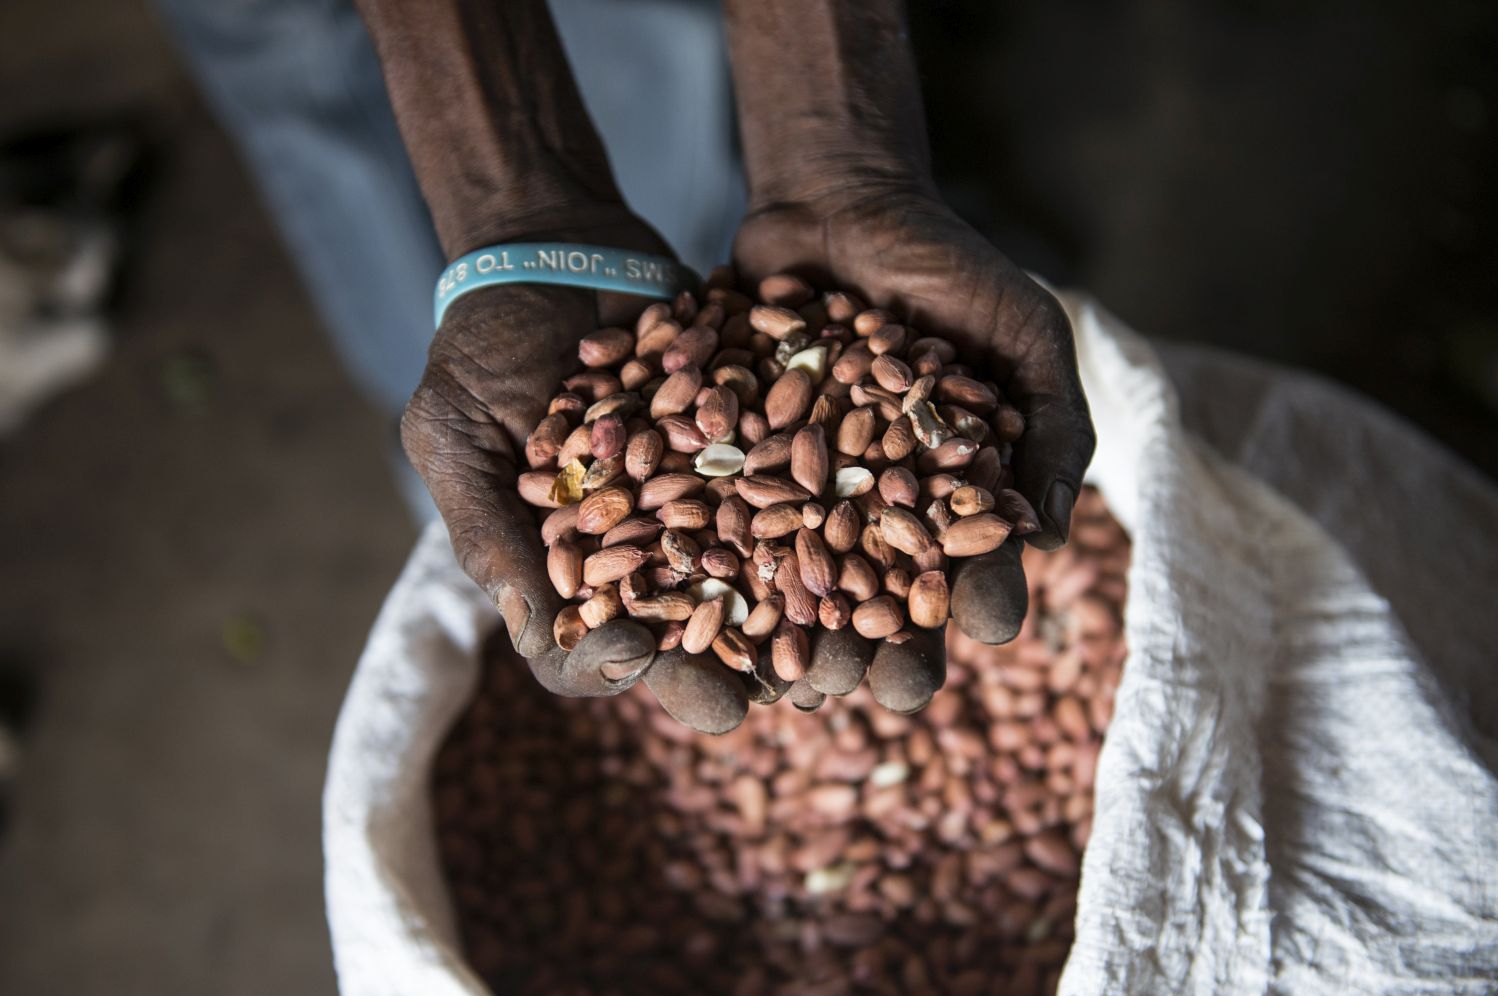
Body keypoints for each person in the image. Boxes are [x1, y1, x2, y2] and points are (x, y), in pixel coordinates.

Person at [167, 0, 1095, 729]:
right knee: (298, 59)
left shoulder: (760, 436)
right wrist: (509, 217)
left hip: (713, 405)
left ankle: (678, 193)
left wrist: (841, 148)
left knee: (645, 46)